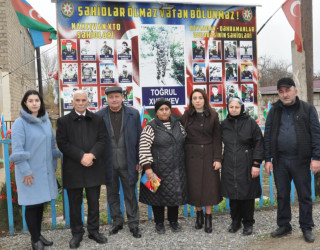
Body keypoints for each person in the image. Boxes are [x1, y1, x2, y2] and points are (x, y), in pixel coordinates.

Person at [264, 77, 320, 243]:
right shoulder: (274, 111)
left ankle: (306, 227)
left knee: (304, 195)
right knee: (282, 194)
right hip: (280, 160)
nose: (285, 94)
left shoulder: (308, 109)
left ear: (295, 91)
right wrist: (268, 158)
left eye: (287, 90)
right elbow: (267, 135)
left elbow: (316, 135)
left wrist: (316, 157)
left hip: (300, 160)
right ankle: (284, 225)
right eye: (281, 91)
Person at [10, 90, 61, 250]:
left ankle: (38, 234)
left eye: (36, 100)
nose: (34, 103)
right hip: (29, 173)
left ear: (40, 103)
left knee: (40, 205)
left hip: (44, 172)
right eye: (30, 100)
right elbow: (17, 149)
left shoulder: (45, 121)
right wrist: (25, 171)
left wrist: (53, 167)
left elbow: (52, 146)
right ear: (25, 103)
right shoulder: (20, 123)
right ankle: (34, 240)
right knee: (32, 206)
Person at [56, 90, 108, 248]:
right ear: (72, 102)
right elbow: (62, 143)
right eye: (77, 100)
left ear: (88, 102)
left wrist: (91, 155)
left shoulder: (97, 119)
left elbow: (102, 140)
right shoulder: (63, 121)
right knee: (74, 203)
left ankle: (94, 231)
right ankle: (77, 233)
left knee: (94, 202)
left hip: (93, 166)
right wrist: (81, 156)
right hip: (74, 168)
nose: (80, 102)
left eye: (83, 100)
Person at [96, 86, 142, 238]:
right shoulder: (100, 115)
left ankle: (134, 223)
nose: (114, 100)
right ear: (106, 99)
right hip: (108, 163)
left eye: (117, 96)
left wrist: (138, 160)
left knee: (130, 194)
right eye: (111, 97)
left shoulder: (133, 114)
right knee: (112, 194)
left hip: (128, 162)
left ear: (122, 97)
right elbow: (97, 140)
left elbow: (139, 139)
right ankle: (117, 221)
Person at [139, 98, 187, 234]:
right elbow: (144, 148)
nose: (164, 112)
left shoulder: (178, 125)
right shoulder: (150, 127)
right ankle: (159, 223)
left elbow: (184, 141)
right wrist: (147, 168)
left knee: (174, 196)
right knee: (157, 198)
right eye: (161, 109)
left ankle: (174, 222)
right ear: (157, 111)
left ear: (170, 110)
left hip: (176, 168)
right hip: (156, 169)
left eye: (167, 109)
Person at [179, 89, 222, 233]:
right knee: (195, 186)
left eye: (200, 98)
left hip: (209, 154)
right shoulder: (186, 116)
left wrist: (217, 158)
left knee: (209, 187)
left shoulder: (213, 115)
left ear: (205, 100)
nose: (197, 100)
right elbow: (178, 132)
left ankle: (208, 217)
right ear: (191, 101)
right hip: (191, 155)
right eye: (194, 98)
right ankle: (199, 215)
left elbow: (217, 138)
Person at [221, 97, 264, 236]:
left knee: (247, 195)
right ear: (228, 108)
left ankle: (248, 223)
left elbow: (259, 143)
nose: (233, 109)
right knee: (233, 195)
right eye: (231, 107)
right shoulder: (224, 124)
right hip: (229, 163)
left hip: (246, 162)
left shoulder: (250, 123)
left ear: (241, 108)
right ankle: (235, 221)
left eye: (236, 107)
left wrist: (256, 163)